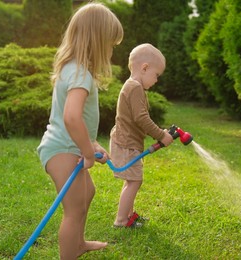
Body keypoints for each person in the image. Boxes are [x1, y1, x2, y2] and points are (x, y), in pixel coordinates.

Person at [37, 3, 123, 259]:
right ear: (96, 40)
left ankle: (79, 243)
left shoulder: (72, 68)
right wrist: (87, 152)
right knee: (74, 210)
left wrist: (92, 145)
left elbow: (77, 121)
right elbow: (72, 117)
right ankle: (69, 254)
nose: (110, 50)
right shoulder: (81, 74)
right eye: (109, 44)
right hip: (63, 149)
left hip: (67, 145)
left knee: (88, 193)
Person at [110, 43, 173, 228]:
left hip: (127, 141)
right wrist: (161, 135)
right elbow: (141, 118)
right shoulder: (135, 87)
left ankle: (128, 216)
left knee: (132, 180)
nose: (156, 80)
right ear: (145, 68)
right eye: (156, 75)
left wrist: (160, 133)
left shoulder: (132, 86)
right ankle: (121, 221)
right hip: (126, 143)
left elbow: (140, 118)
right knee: (135, 181)